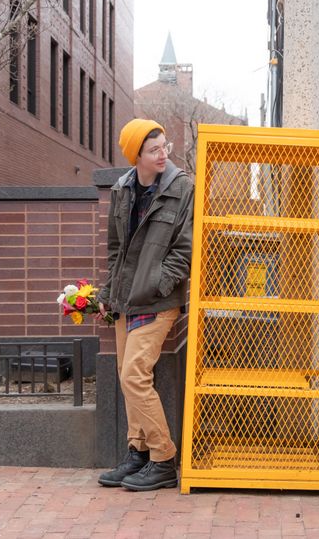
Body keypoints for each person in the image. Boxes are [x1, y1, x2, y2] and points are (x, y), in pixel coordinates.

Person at [97, 119, 194, 492]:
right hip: (126, 300)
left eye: (164, 147)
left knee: (134, 375)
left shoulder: (181, 187)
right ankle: (137, 453)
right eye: (154, 149)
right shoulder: (122, 190)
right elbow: (116, 249)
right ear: (135, 154)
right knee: (127, 376)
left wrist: (157, 284)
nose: (163, 154)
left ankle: (164, 458)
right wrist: (109, 293)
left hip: (158, 299)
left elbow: (183, 250)